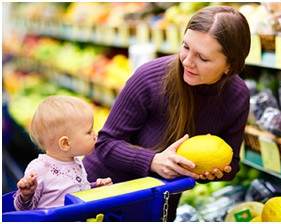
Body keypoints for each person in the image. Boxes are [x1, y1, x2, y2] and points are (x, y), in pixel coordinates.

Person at [82, 5, 251, 221]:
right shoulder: (150, 78)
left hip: (159, 205)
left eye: (203, 58)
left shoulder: (237, 96)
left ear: (230, 65)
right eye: (185, 47)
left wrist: (207, 172)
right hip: (106, 195)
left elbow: (232, 165)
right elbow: (105, 143)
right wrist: (153, 161)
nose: (187, 61)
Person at [13, 95, 112, 211]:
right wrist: (26, 195)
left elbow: (75, 191)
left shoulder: (76, 161)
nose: (96, 135)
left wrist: (94, 187)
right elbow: (24, 211)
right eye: (89, 131)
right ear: (65, 143)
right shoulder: (39, 169)